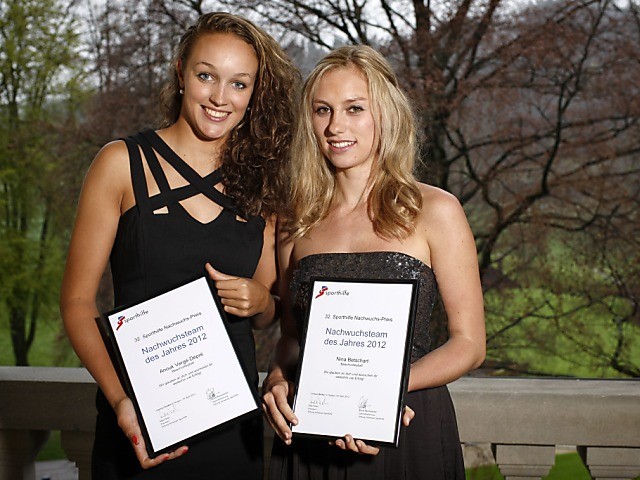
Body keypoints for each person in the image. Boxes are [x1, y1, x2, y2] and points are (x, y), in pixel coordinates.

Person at [60, 12, 298, 479]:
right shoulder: (120, 163)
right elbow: (76, 301)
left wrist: (259, 300)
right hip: (140, 419)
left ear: (254, 95)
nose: (219, 97)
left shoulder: (265, 184)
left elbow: (274, 310)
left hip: (230, 428)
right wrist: (122, 402)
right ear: (180, 72)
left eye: (239, 84)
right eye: (206, 75)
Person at [262, 44, 486, 479]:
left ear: (384, 115)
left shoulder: (436, 210)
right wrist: (274, 380)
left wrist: (380, 392)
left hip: (407, 422)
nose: (335, 126)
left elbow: (470, 344)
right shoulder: (295, 220)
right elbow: (291, 338)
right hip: (313, 432)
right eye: (322, 109)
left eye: (354, 108)